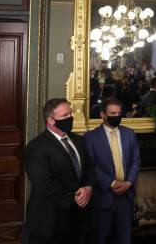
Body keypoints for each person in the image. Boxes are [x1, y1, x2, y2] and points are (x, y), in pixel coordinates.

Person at [24, 98, 93, 244]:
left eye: (70, 114)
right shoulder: (36, 147)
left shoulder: (78, 140)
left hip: (77, 220)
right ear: (50, 120)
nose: (70, 118)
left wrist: (88, 187)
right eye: (65, 116)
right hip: (50, 221)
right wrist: (77, 197)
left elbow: (89, 168)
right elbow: (44, 184)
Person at [84, 98, 141, 244]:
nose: (117, 116)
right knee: (100, 237)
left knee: (124, 238)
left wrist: (128, 182)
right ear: (103, 114)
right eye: (112, 113)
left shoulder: (130, 134)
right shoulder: (90, 138)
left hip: (126, 196)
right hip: (103, 196)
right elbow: (91, 166)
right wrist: (112, 183)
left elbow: (136, 160)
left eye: (119, 113)